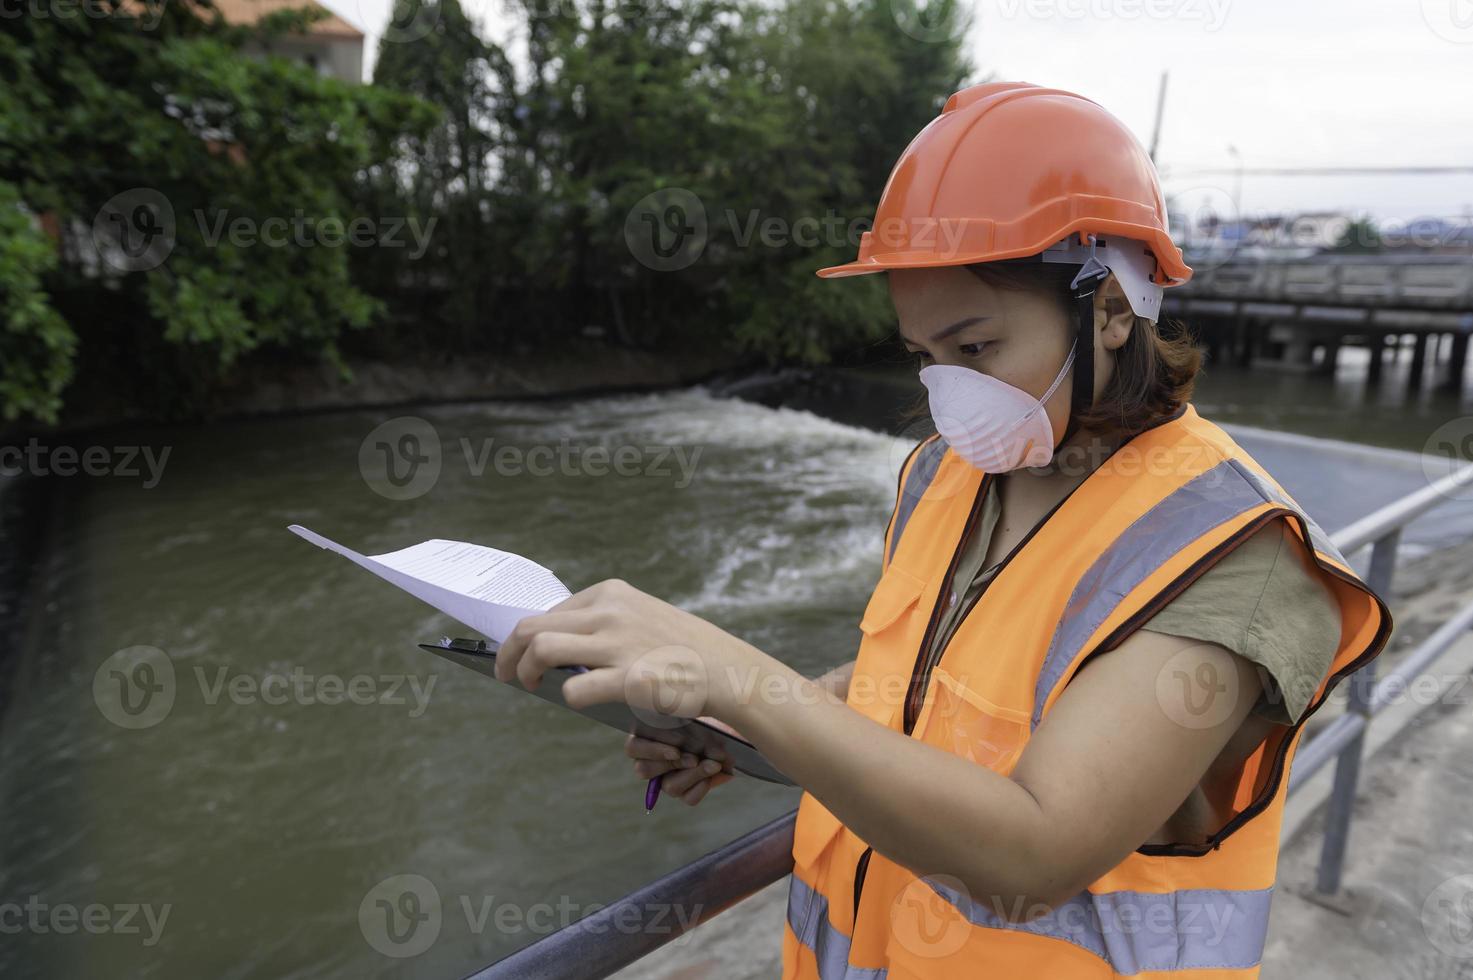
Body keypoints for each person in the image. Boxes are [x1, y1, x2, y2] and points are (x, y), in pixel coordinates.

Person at [494, 81, 1393, 978]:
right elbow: (917, 685)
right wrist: (731, 725)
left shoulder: (1234, 552)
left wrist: (744, 680)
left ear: (1112, 309)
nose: (947, 393)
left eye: (975, 349)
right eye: (924, 357)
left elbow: (1031, 859)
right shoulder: (946, 473)